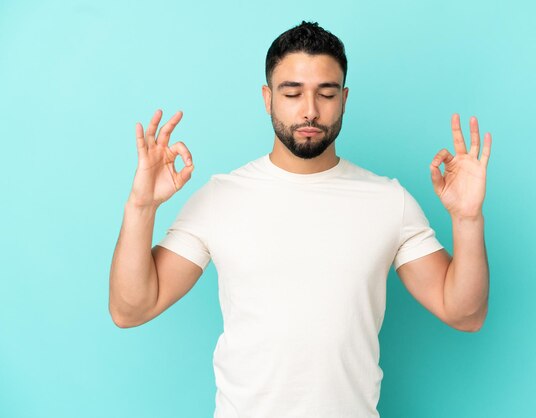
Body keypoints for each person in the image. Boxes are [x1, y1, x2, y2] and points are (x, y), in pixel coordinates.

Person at [109, 21, 492, 418]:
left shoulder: (388, 200)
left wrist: (467, 219)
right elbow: (131, 309)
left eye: (326, 94)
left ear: (343, 99)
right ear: (267, 98)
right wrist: (141, 207)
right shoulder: (219, 199)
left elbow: (465, 313)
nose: (310, 110)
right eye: (292, 93)